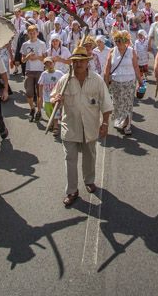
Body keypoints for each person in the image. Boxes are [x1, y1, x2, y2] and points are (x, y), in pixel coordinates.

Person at [50, 43, 113, 207]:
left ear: (88, 62)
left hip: (90, 127)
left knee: (90, 156)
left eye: (81, 61)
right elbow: (52, 98)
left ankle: (89, 180)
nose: (78, 64)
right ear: (72, 62)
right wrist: (56, 100)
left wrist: (105, 123)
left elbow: (106, 103)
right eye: (75, 61)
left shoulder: (97, 80)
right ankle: (72, 191)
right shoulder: (64, 81)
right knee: (70, 158)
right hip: (69, 127)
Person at [103, 29, 143, 136]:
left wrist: (140, 81)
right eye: (116, 40)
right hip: (115, 83)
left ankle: (127, 124)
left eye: (119, 40)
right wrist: (105, 84)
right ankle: (120, 119)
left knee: (128, 104)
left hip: (129, 82)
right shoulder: (112, 51)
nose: (117, 43)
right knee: (117, 104)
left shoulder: (131, 51)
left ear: (125, 40)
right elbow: (107, 69)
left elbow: (135, 66)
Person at [20, 24, 47, 122]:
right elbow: (22, 60)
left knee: (39, 93)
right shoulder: (25, 44)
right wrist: (27, 57)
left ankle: (39, 111)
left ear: (37, 33)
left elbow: (45, 58)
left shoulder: (42, 44)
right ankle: (32, 108)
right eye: (30, 33)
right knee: (29, 93)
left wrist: (37, 57)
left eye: (34, 33)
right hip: (29, 71)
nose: (32, 35)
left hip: (40, 70)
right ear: (28, 34)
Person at [38, 57, 65, 135]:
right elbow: (40, 85)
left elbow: (65, 81)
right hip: (46, 97)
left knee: (55, 111)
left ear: (54, 63)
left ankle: (55, 126)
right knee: (47, 111)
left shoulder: (59, 73)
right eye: (46, 64)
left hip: (55, 97)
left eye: (50, 63)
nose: (49, 65)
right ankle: (52, 121)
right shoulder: (44, 74)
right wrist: (40, 96)